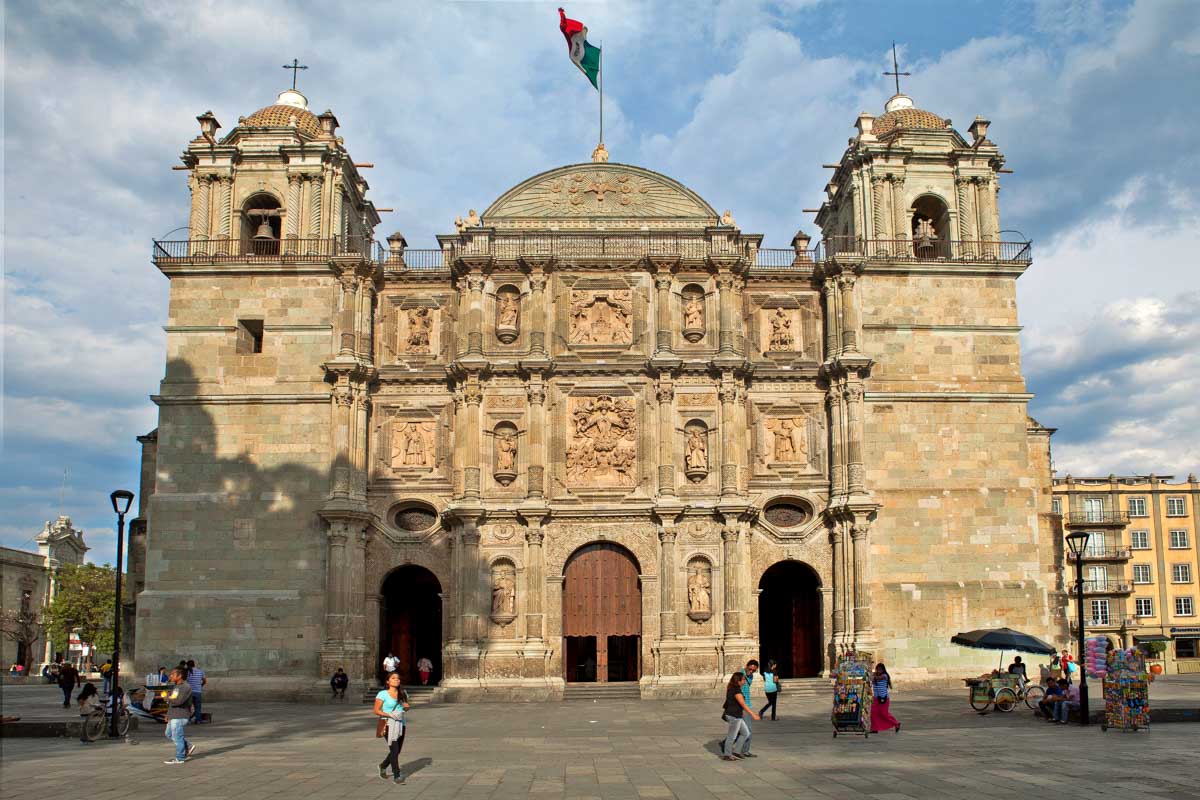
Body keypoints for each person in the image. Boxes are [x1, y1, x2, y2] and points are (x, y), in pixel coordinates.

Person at [374, 672, 409, 784]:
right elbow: (376, 710)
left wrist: (407, 707)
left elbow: (405, 708)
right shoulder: (382, 694)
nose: (396, 680)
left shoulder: (403, 693)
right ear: (388, 681)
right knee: (394, 749)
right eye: (393, 678)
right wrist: (390, 715)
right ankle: (397, 775)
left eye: (398, 678)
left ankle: (383, 765)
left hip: (400, 723)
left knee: (397, 750)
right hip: (387, 723)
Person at [720, 671, 760, 760]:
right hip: (733, 716)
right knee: (732, 736)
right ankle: (727, 755)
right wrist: (753, 714)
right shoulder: (736, 690)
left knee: (745, 733)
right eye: (743, 680)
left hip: (736, 715)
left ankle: (737, 752)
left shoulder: (732, 688)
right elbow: (743, 704)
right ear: (738, 681)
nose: (744, 681)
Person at [163, 667, 196, 764]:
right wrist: (168, 714)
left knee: (177, 736)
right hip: (174, 715)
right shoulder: (176, 686)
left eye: (173, 674)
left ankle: (180, 757)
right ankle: (188, 746)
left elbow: (178, 701)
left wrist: (166, 698)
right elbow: (173, 700)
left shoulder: (185, 687)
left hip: (180, 715)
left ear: (180, 676)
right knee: (169, 734)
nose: (171, 676)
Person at [736, 659, 759, 756]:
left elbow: (748, 683)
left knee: (739, 729)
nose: (752, 671)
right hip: (742, 705)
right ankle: (744, 751)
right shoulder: (739, 675)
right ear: (747, 666)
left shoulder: (750, 675)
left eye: (754, 670)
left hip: (747, 704)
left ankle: (727, 744)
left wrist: (749, 674)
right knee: (748, 730)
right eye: (750, 669)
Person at [870, 663, 901, 733]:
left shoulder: (884, 676)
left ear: (883, 670)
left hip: (884, 698)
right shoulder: (875, 675)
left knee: (884, 713)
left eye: (880, 669)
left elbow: (877, 679)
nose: (878, 671)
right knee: (873, 713)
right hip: (875, 698)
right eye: (877, 669)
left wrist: (872, 674)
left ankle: (896, 723)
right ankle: (874, 728)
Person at [185, 659, 206, 724]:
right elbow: (204, 681)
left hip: (189, 692)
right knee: (198, 707)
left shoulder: (187, 672)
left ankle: (188, 720)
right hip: (198, 691)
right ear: (194, 664)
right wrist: (200, 686)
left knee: (188, 707)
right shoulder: (200, 671)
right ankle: (198, 720)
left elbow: (185, 681)